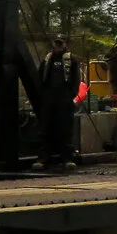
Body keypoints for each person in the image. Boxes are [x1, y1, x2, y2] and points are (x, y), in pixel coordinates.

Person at [39, 36, 80, 170]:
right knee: (46, 129)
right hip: (49, 99)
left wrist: (70, 95)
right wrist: (43, 95)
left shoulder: (72, 60)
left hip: (64, 99)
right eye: (56, 43)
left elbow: (76, 80)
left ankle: (67, 159)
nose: (58, 45)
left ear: (65, 44)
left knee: (66, 129)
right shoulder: (47, 59)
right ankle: (43, 158)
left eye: (60, 43)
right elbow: (40, 77)